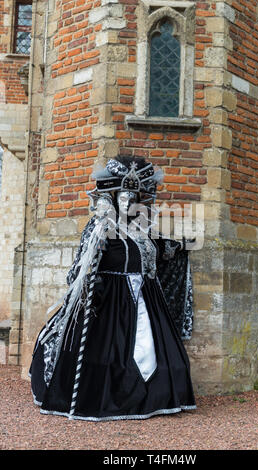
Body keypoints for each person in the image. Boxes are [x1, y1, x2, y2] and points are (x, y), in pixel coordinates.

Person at [29, 155, 196, 421]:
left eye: (136, 195)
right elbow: (80, 267)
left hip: (147, 300)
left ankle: (155, 398)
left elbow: (153, 250)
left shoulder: (141, 228)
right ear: (115, 193)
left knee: (169, 363)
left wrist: (178, 247)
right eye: (126, 194)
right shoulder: (100, 226)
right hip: (111, 305)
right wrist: (90, 283)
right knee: (111, 363)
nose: (131, 200)